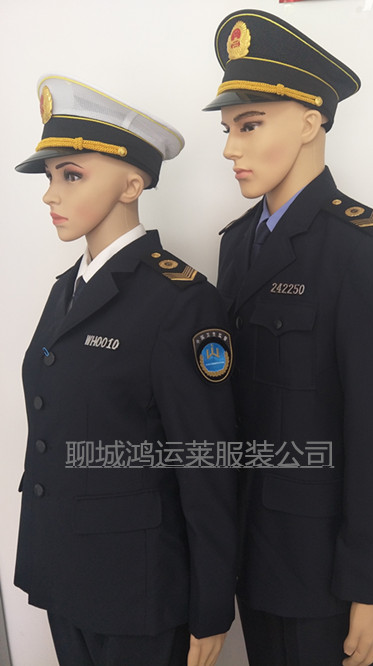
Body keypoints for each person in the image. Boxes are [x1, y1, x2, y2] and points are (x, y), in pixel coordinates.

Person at [204, 9, 373, 666]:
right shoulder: (237, 245)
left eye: (249, 125)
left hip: (325, 573)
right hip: (253, 555)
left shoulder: (370, 249)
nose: (230, 149)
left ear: (311, 122)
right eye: (227, 129)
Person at [15, 75, 237, 666]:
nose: (50, 195)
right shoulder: (68, 289)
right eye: (50, 176)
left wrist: (212, 606)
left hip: (137, 589)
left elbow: (208, 462)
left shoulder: (180, 301)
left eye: (72, 175)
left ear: (133, 184)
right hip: (63, 568)